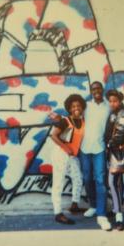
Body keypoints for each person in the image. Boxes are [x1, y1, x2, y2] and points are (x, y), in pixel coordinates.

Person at [79, 81, 112, 231]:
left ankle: (102, 214)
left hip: (100, 148)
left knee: (100, 180)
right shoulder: (86, 106)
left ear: (102, 90)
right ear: (91, 91)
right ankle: (93, 205)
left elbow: (119, 118)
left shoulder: (108, 106)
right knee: (87, 178)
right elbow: (73, 115)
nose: (96, 91)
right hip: (85, 148)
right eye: (93, 89)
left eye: (98, 88)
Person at [50, 94, 86, 225]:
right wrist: (65, 148)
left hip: (72, 155)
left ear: (82, 107)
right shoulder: (65, 120)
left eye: (78, 106)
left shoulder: (82, 122)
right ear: (70, 109)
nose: (76, 108)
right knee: (58, 182)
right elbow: (53, 136)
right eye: (73, 106)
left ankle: (74, 205)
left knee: (78, 178)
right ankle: (58, 213)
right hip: (61, 153)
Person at [104, 89, 124, 231]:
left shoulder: (122, 113)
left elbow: (120, 132)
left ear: (120, 101)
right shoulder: (114, 113)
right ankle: (116, 210)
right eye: (110, 101)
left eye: (115, 101)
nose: (112, 103)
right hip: (112, 152)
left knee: (115, 183)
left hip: (117, 152)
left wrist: (110, 144)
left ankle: (119, 217)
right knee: (114, 183)